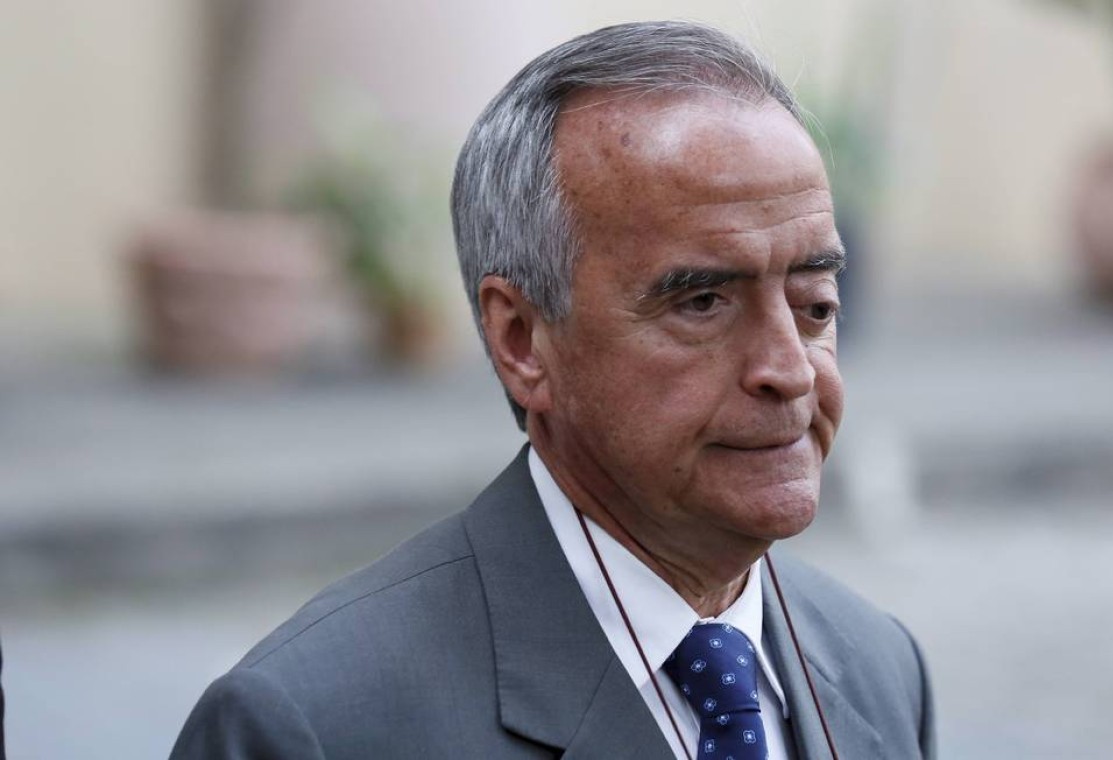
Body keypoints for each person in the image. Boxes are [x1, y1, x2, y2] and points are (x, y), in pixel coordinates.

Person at [171, 20, 934, 759]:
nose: (790, 371)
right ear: (521, 340)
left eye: (815, 306)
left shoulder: (878, 669)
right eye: (703, 303)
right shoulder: (314, 727)